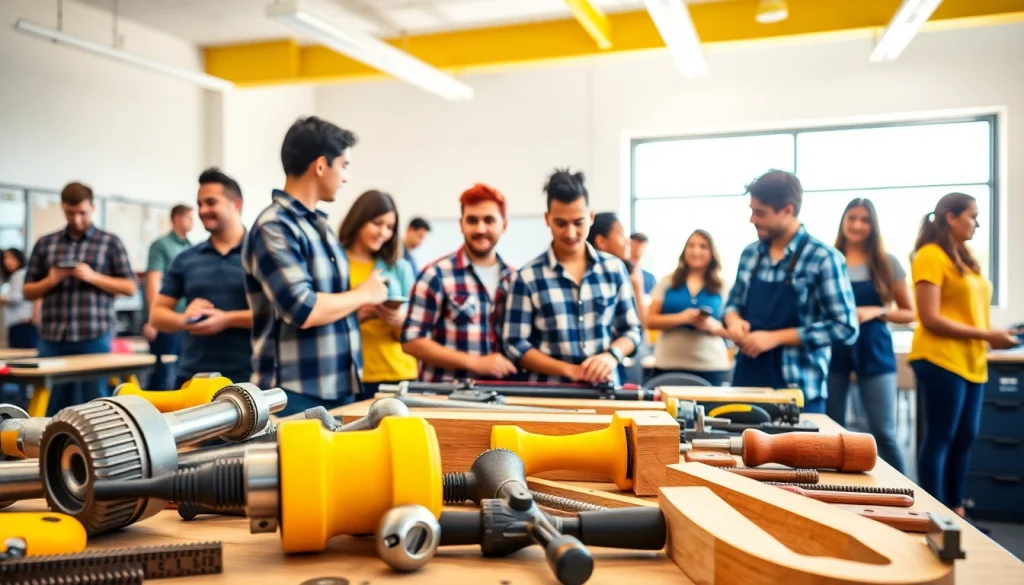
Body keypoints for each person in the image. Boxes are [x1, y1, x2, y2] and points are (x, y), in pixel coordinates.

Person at [242, 116, 388, 416]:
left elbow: (329, 305)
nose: (345, 177)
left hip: (338, 388)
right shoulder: (275, 227)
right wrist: (365, 294)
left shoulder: (320, 227)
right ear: (321, 166)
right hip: (293, 395)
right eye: (343, 166)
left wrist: (365, 309)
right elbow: (303, 309)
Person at [906, 192, 1018, 517]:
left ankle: (956, 514)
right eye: (972, 215)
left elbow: (969, 311)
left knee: (965, 438)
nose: (977, 223)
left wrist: (998, 335)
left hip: (971, 362)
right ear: (951, 217)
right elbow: (930, 318)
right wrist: (988, 335)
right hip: (940, 359)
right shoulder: (930, 255)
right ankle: (933, 516)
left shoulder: (964, 258)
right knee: (941, 438)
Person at [723, 170, 858, 413]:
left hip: (798, 394)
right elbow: (732, 304)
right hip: (745, 386)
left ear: (787, 210)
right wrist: (734, 321)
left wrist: (773, 338)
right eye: (752, 210)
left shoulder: (824, 259)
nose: (752, 219)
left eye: (760, 213)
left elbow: (845, 327)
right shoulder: (750, 254)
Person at [503, 169, 642, 385]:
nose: (570, 233)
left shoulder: (614, 269)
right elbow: (515, 344)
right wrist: (570, 370)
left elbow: (632, 330)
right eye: (561, 223)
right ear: (547, 219)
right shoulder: (527, 277)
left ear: (591, 217)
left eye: (578, 222)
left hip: (605, 390)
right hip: (549, 395)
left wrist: (611, 356)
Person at [23, 182, 137, 414]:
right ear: (63, 209)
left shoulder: (110, 242)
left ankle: (99, 450)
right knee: (54, 406)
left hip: (94, 336)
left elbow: (130, 287)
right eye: (70, 213)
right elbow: (27, 291)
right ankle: (53, 450)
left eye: (82, 213)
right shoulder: (46, 243)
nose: (76, 220)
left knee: (97, 404)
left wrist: (93, 276)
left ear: (92, 208)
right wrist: (51, 280)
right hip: (53, 338)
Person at [826, 198, 915, 472]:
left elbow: (909, 313)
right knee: (831, 431)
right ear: (843, 221)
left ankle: (907, 495)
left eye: (864, 220)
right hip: (834, 350)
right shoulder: (829, 259)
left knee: (883, 432)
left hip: (874, 350)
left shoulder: (887, 263)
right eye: (852, 218)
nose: (857, 225)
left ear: (872, 226)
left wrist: (875, 311)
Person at [402, 183, 516, 382]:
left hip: (502, 398)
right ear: (461, 224)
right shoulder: (435, 275)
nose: (480, 229)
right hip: (444, 399)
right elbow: (411, 341)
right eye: (472, 220)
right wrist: (475, 362)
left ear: (504, 225)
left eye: (489, 220)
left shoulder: (515, 279)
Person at [150, 169, 253, 388]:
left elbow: (280, 315)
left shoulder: (263, 255)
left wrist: (227, 319)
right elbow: (157, 315)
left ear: (236, 204)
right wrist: (183, 320)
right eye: (199, 204)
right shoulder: (186, 259)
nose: (202, 210)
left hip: (252, 379)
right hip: (193, 380)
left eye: (210, 202)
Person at [337, 189, 417, 399]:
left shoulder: (399, 267)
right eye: (377, 223)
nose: (383, 232)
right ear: (359, 220)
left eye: (390, 227)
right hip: (353, 374)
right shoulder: (335, 264)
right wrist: (360, 313)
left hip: (398, 371)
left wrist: (399, 320)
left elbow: (415, 328)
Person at [646, 230, 731, 386]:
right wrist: (681, 318)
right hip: (668, 363)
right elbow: (649, 321)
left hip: (711, 365)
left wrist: (712, 326)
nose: (696, 251)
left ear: (712, 252)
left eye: (703, 246)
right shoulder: (667, 282)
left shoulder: (723, 286)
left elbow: (733, 331)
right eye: (691, 246)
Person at [143, 204, 193, 389]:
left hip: (187, 323)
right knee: (163, 377)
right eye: (189, 218)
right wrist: (152, 319)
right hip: (166, 322)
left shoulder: (191, 247)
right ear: (177, 218)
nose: (193, 222)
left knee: (184, 378)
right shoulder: (161, 245)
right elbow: (153, 281)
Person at [587, 213, 645, 317]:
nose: (628, 241)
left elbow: (640, 326)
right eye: (621, 234)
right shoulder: (593, 277)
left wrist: (637, 288)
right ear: (601, 241)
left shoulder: (630, 272)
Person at [1, 249, 37, 349]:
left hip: (23, 323)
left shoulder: (20, 274)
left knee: (22, 357)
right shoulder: (14, 276)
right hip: (17, 323)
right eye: (5, 258)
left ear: (19, 258)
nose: (7, 261)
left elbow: (16, 297)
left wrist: (2, 299)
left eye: (11, 257)